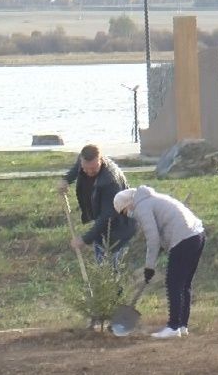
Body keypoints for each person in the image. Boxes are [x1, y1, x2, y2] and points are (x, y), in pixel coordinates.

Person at [112, 186, 206, 339]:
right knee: (184, 284)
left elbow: (152, 238)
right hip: (197, 235)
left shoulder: (142, 207)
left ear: (128, 204)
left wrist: (149, 267)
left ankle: (173, 326)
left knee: (173, 283)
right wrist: (162, 246)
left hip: (183, 238)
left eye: (124, 211)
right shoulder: (153, 199)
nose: (127, 215)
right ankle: (182, 326)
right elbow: (163, 228)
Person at [56, 144, 133, 266]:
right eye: (86, 168)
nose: (89, 172)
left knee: (112, 266)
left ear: (101, 160)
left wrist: (84, 239)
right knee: (101, 262)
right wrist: (65, 180)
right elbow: (77, 169)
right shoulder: (83, 161)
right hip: (102, 220)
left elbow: (107, 217)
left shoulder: (110, 182)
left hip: (121, 225)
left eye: (93, 169)